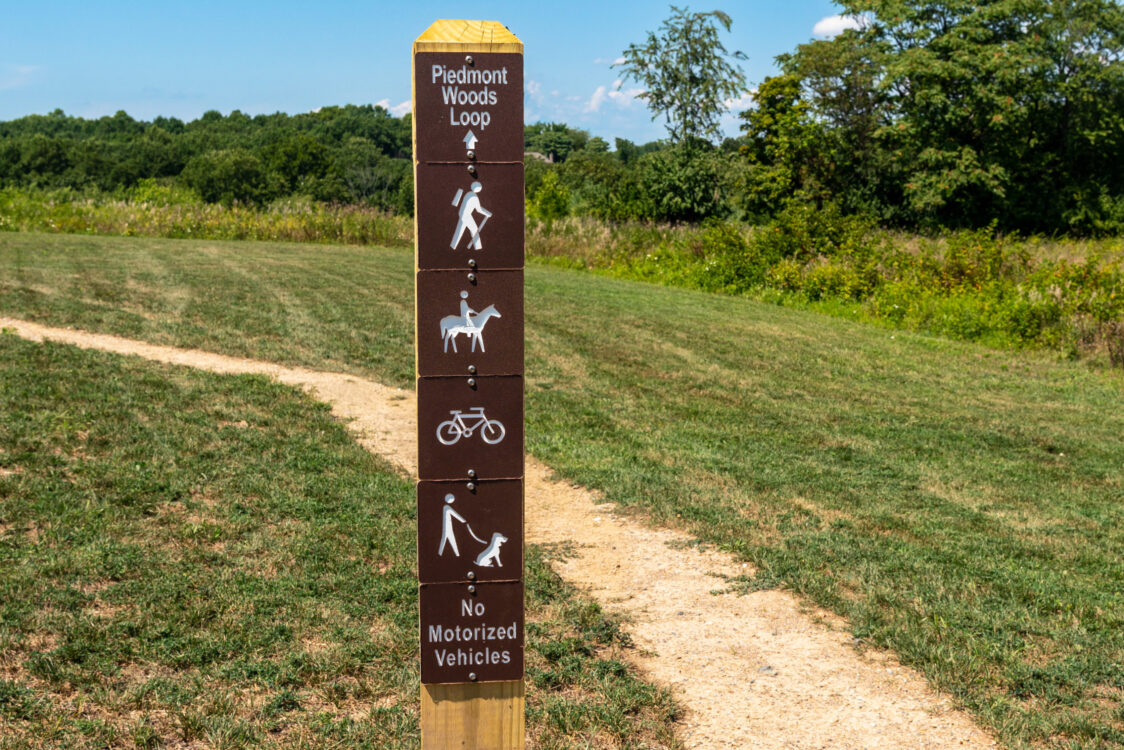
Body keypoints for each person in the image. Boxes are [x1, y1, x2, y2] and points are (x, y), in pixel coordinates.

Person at [450, 181, 492, 251]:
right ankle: (478, 247)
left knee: (459, 230)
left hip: (462, 213)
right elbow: (479, 210)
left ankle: (453, 245)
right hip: (466, 216)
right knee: (474, 229)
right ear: (479, 189)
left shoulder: (468, 194)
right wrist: (487, 213)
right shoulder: (474, 197)